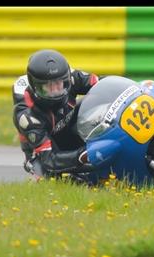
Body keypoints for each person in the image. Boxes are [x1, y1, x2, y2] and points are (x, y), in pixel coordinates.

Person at [12, 49, 100, 178]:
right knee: (56, 178)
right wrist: (82, 155)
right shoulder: (28, 115)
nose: (56, 92)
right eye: (48, 88)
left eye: (59, 85)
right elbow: (49, 159)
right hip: (44, 151)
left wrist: (133, 88)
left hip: (68, 127)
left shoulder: (71, 77)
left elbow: (103, 83)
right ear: (34, 86)